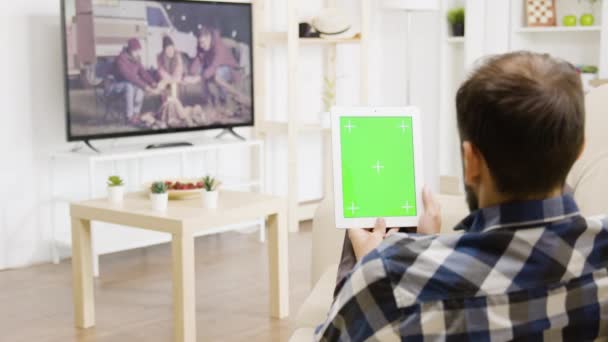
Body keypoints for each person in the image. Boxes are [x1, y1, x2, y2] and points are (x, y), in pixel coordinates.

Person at [315, 52, 608, 340]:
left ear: (471, 161)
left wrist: (365, 267)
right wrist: (423, 243)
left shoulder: (388, 279)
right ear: (580, 148)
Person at [187, 26, 244, 105]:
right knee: (203, 72)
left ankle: (224, 98)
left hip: (231, 70)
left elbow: (214, 65)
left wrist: (199, 78)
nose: (201, 45)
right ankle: (208, 99)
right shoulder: (202, 46)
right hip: (215, 68)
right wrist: (190, 74)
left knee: (215, 74)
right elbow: (198, 60)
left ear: (209, 37)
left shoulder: (218, 47)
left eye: (203, 42)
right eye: (199, 43)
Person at [111, 38, 158, 123]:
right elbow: (129, 77)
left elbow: (143, 72)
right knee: (130, 86)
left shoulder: (136, 58)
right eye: (135, 51)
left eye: (138, 51)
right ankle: (129, 116)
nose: (138, 53)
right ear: (130, 50)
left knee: (139, 88)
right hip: (115, 85)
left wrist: (152, 82)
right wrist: (146, 86)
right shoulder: (121, 59)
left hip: (130, 84)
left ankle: (136, 114)